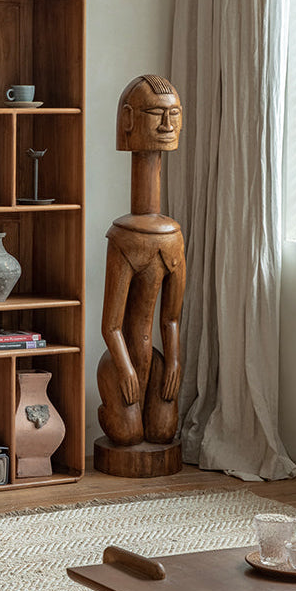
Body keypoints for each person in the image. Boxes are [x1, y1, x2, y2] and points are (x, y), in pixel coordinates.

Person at [97, 75, 186, 449]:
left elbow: (171, 318)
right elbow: (111, 325)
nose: (167, 125)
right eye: (156, 114)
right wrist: (125, 368)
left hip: (157, 360)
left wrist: (176, 362)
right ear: (130, 120)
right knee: (128, 434)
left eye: (174, 114)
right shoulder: (122, 237)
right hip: (121, 363)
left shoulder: (172, 235)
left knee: (163, 432)